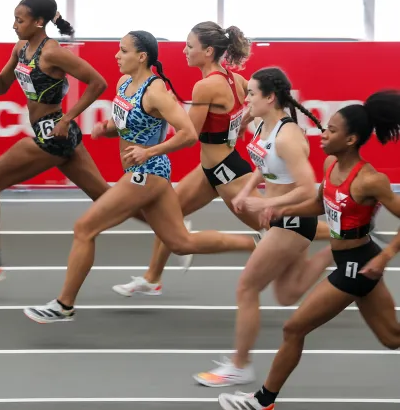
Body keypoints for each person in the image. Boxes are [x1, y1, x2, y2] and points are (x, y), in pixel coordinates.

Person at [22, 30, 258, 323]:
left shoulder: (156, 91)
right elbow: (125, 123)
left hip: (147, 173)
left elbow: (187, 134)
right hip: (143, 174)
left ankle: (64, 305)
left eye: (123, 51)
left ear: (141, 56)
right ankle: (255, 245)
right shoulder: (124, 83)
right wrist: (106, 129)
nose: (116, 56)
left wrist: (149, 152)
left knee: (85, 228)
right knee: (180, 242)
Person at [112, 22, 330, 298]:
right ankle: (152, 278)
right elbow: (247, 109)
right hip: (211, 169)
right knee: (169, 217)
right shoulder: (234, 79)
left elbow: (188, 134)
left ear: (208, 51)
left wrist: (150, 148)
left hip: (225, 172)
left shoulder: (205, 87)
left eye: (190, 46)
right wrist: (238, 126)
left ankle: (341, 232)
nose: (185, 50)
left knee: (276, 224)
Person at [217, 90, 400, 410]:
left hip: (359, 264)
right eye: (325, 127)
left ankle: (263, 401)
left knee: (294, 328)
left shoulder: (371, 180)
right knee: (391, 338)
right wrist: (281, 211)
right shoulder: (331, 164)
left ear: (351, 139)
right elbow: (319, 203)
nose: (322, 134)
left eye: (331, 130)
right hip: (349, 259)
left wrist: (385, 257)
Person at [0, 0, 110, 288]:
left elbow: (98, 83)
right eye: (14, 18)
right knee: (109, 199)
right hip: (56, 134)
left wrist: (66, 118)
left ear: (39, 22)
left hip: (54, 133)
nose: (14, 25)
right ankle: (174, 228)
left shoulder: (53, 53)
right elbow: (0, 88)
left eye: (20, 20)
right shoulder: (21, 48)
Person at [193, 67, 334, 387]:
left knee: (247, 287)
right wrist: (246, 193)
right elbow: (261, 164)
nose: (246, 99)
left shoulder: (287, 136)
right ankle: (334, 253)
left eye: (252, 94)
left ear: (270, 98)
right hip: (280, 219)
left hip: (292, 220)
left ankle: (240, 365)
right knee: (286, 294)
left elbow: (308, 188)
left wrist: (267, 204)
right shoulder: (263, 127)